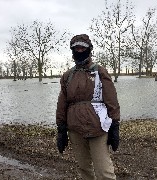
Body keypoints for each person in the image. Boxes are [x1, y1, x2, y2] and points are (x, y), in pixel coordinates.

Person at [56, 34, 120, 180]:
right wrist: (61, 129)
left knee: (104, 171)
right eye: (76, 48)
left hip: (97, 128)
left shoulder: (100, 71)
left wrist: (115, 125)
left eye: (82, 48)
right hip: (75, 129)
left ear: (89, 49)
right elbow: (62, 104)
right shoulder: (67, 76)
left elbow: (112, 100)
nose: (79, 51)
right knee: (84, 168)